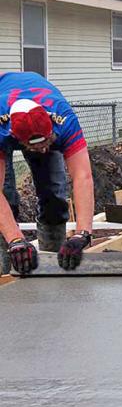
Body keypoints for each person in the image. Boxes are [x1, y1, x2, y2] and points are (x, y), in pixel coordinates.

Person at [0, 72, 95, 274]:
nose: (43, 149)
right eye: (35, 147)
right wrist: (15, 239)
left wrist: (82, 234)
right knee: (7, 196)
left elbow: (82, 177)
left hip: (39, 107)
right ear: (15, 137)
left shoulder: (65, 120)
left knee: (54, 194)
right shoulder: (2, 129)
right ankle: (7, 267)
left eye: (46, 143)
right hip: (5, 113)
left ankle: (55, 265)